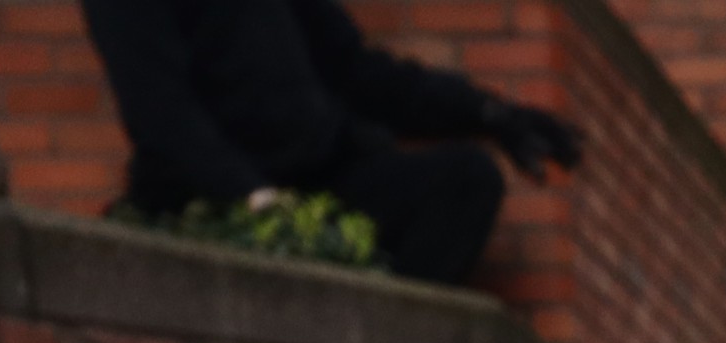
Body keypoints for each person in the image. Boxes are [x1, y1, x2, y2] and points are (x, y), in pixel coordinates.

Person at [77, 0, 579, 286]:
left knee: (463, 182)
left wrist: (489, 113)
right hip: (212, 201)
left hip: (320, 180)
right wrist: (250, 196)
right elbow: (159, 110)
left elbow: (358, 72)